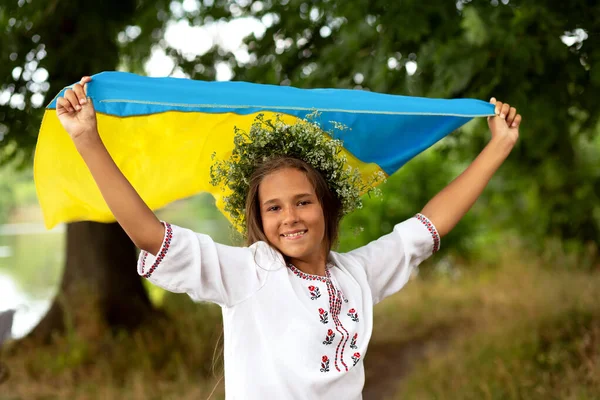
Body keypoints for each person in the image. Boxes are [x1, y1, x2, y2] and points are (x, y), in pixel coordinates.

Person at [56, 75, 521, 399]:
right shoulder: (249, 273)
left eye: (303, 201)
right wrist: (86, 140)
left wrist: (498, 145)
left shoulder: (358, 274)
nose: (290, 218)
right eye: (273, 208)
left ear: (325, 206)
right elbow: (151, 237)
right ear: (259, 219)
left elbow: (428, 226)